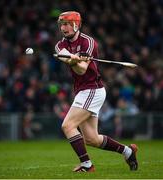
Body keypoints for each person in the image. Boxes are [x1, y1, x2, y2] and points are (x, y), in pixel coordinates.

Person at [55, 11, 138, 172]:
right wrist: (72, 58)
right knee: (92, 139)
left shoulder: (88, 42)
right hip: (82, 91)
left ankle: (87, 165)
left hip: (92, 89)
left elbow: (82, 70)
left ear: (75, 25)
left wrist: (76, 61)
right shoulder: (60, 45)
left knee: (68, 126)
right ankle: (128, 152)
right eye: (61, 24)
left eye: (66, 24)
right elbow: (64, 56)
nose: (63, 28)